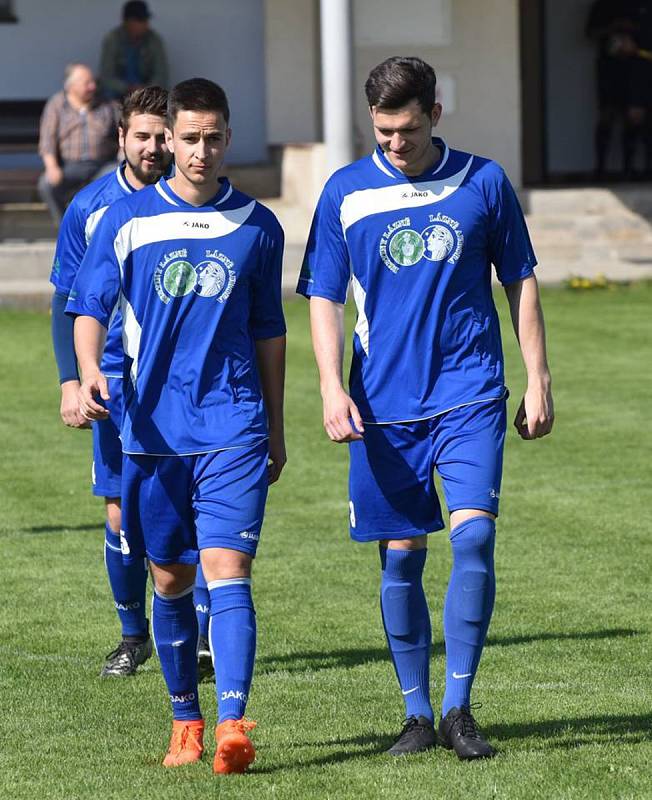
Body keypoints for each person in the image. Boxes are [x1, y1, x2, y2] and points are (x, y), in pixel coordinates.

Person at [298, 56, 554, 760]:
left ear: (435, 114)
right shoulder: (345, 192)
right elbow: (322, 293)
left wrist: (539, 377)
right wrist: (329, 385)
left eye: (407, 130)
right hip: (383, 405)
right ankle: (414, 714)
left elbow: (520, 280)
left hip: (470, 393)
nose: (395, 145)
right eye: (383, 133)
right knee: (402, 556)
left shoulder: (485, 181)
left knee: (473, 538)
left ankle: (458, 709)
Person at [67, 78, 286, 774]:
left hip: (234, 424)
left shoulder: (258, 225)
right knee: (169, 580)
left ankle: (232, 723)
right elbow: (88, 305)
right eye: (187, 137)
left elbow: (269, 333)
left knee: (230, 571)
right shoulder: (126, 220)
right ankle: (185, 720)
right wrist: (88, 367)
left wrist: (276, 427)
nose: (199, 150)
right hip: (153, 431)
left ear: (228, 136)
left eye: (213, 137)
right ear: (170, 138)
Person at [50, 85, 172, 677]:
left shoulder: (196, 200)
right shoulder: (90, 206)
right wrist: (71, 380)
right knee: (122, 511)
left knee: (188, 505)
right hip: (115, 383)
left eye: (161, 135)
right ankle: (133, 635)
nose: (153, 146)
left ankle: (196, 636)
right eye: (141, 135)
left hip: (181, 380)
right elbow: (66, 301)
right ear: (120, 137)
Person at [38, 64, 120, 225]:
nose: (93, 86)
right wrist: (51, 166)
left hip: (102, 165)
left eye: (93, 82)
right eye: (87, 83)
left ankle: (104, 229)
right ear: (71, 86)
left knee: (121, 175)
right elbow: (47, 140)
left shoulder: (107, 105)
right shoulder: (57, 104)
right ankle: (66, 228)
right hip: (69, 167)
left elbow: (125, 130)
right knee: (46, 185)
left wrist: (123, 152)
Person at [586, 0, 652, 177]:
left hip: (638, 70)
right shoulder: (603, 5)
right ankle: (600, 170)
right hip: (609, 70)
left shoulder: (643, 6)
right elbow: (590, 33)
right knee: (607, 116)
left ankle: (631, 170)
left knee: (636, 117)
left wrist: (636, 45)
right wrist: (612, 28)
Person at [100, 0, 169, 100]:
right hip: (118, 93)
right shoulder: (112, 40)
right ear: (127, 21)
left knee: (161, 97)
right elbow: (106, 76)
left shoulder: (154, 40)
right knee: (106, 93)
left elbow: (161, 74)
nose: (146, 24)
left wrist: (145, 89)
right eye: (140, 20)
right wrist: (127, 88)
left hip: (147, 92)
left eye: (146, 20)